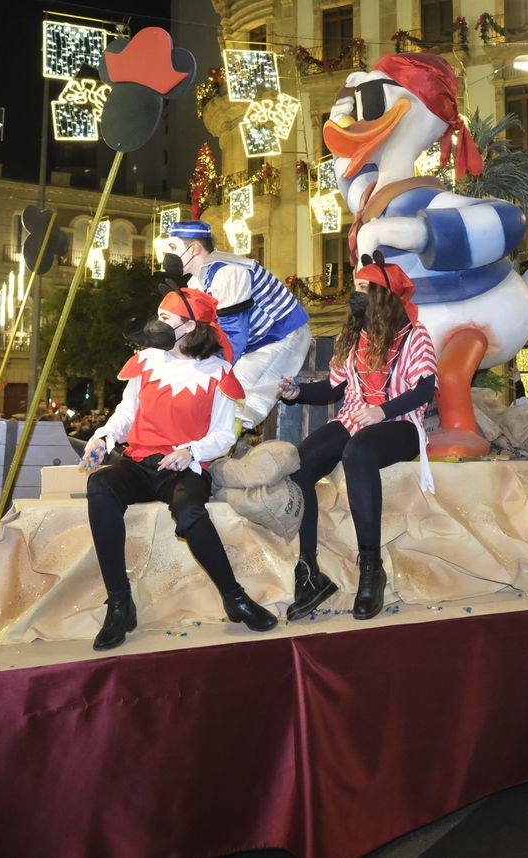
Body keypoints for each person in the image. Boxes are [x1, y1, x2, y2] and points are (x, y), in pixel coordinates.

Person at [80, 287, 277, 650]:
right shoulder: (145, 361)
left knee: (190, 511)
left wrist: (190, 451)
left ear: (189, 326)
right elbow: (126, 414)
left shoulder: (219, 372)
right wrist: (103, 438)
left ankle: (235, 599)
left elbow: (221, 435)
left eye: (166, 317)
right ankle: (120, 604)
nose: (157, 323)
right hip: (139, 463)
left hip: (184, 467)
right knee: (101, 487)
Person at [277, 255, 437, 621]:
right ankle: (310, 572)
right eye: (357, 287)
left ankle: (370, 568)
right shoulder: (354, 339)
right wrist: (296, 393)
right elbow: (334, 391)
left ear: (385, 295)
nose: (356, 294)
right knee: (299, 466)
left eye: (364, 288)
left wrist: (382, 411)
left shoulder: (415, 336)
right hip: (354, 419)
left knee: (357, 452)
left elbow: (424, 389)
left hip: (400, 424)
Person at [162, 220, 311, 433]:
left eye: (173, 247)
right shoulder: (198, 282)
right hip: (254, 342)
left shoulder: (228, 272)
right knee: (213, 388)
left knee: (232, 390)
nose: (167, 255)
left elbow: (234, 332)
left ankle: (217, 451)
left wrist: (210, 369)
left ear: (194, 248)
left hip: (281, 336)